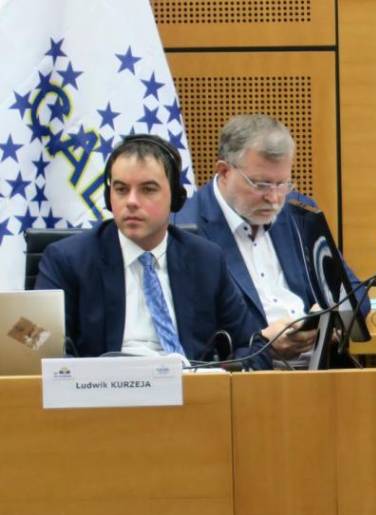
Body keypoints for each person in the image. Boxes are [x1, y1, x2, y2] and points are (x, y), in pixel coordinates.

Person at [36, 134, 269, 367]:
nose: (132, 202)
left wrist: (220, 376)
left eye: (148, 189)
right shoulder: (68, 259)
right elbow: (37, 345)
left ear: (176, 199)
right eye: (121, 189)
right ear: (109, 197)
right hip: (104, 394)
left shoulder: (205, 259)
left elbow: (253, 346)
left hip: (190, 393)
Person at [175, 114, 367, 366]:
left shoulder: (299, 213)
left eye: (282, 184)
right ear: (223, 171)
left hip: (321, 370)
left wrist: (328, 320)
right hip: (244, 380)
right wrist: (261, 344)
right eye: (262, 184)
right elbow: (194, 338)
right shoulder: (185, 229)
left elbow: (356, 294)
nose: (274, 198)